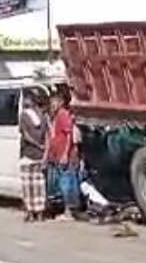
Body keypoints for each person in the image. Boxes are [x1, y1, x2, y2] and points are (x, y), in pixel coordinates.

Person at [46, 92, 81, 221]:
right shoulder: (55, 116)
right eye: (51, 102)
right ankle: (66, 210)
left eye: (54, 102)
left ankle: (68, 212)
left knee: (66, 183)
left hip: (64, 156)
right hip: (57, 155)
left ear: (60, 102)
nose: (52, 105)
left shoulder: (63, 115)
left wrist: (65, 154)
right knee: (61, 183)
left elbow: (68, 136)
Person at [19, 92, 48, 222]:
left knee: (28, 185)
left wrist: (38, 145)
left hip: (28, 154)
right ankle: (40, 212)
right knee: (39, 185)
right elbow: (48, 135)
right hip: (40, 155)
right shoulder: (42, 116)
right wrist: (44, 149)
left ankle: (30, 213)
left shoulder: (23, 115)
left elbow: (25, 135)